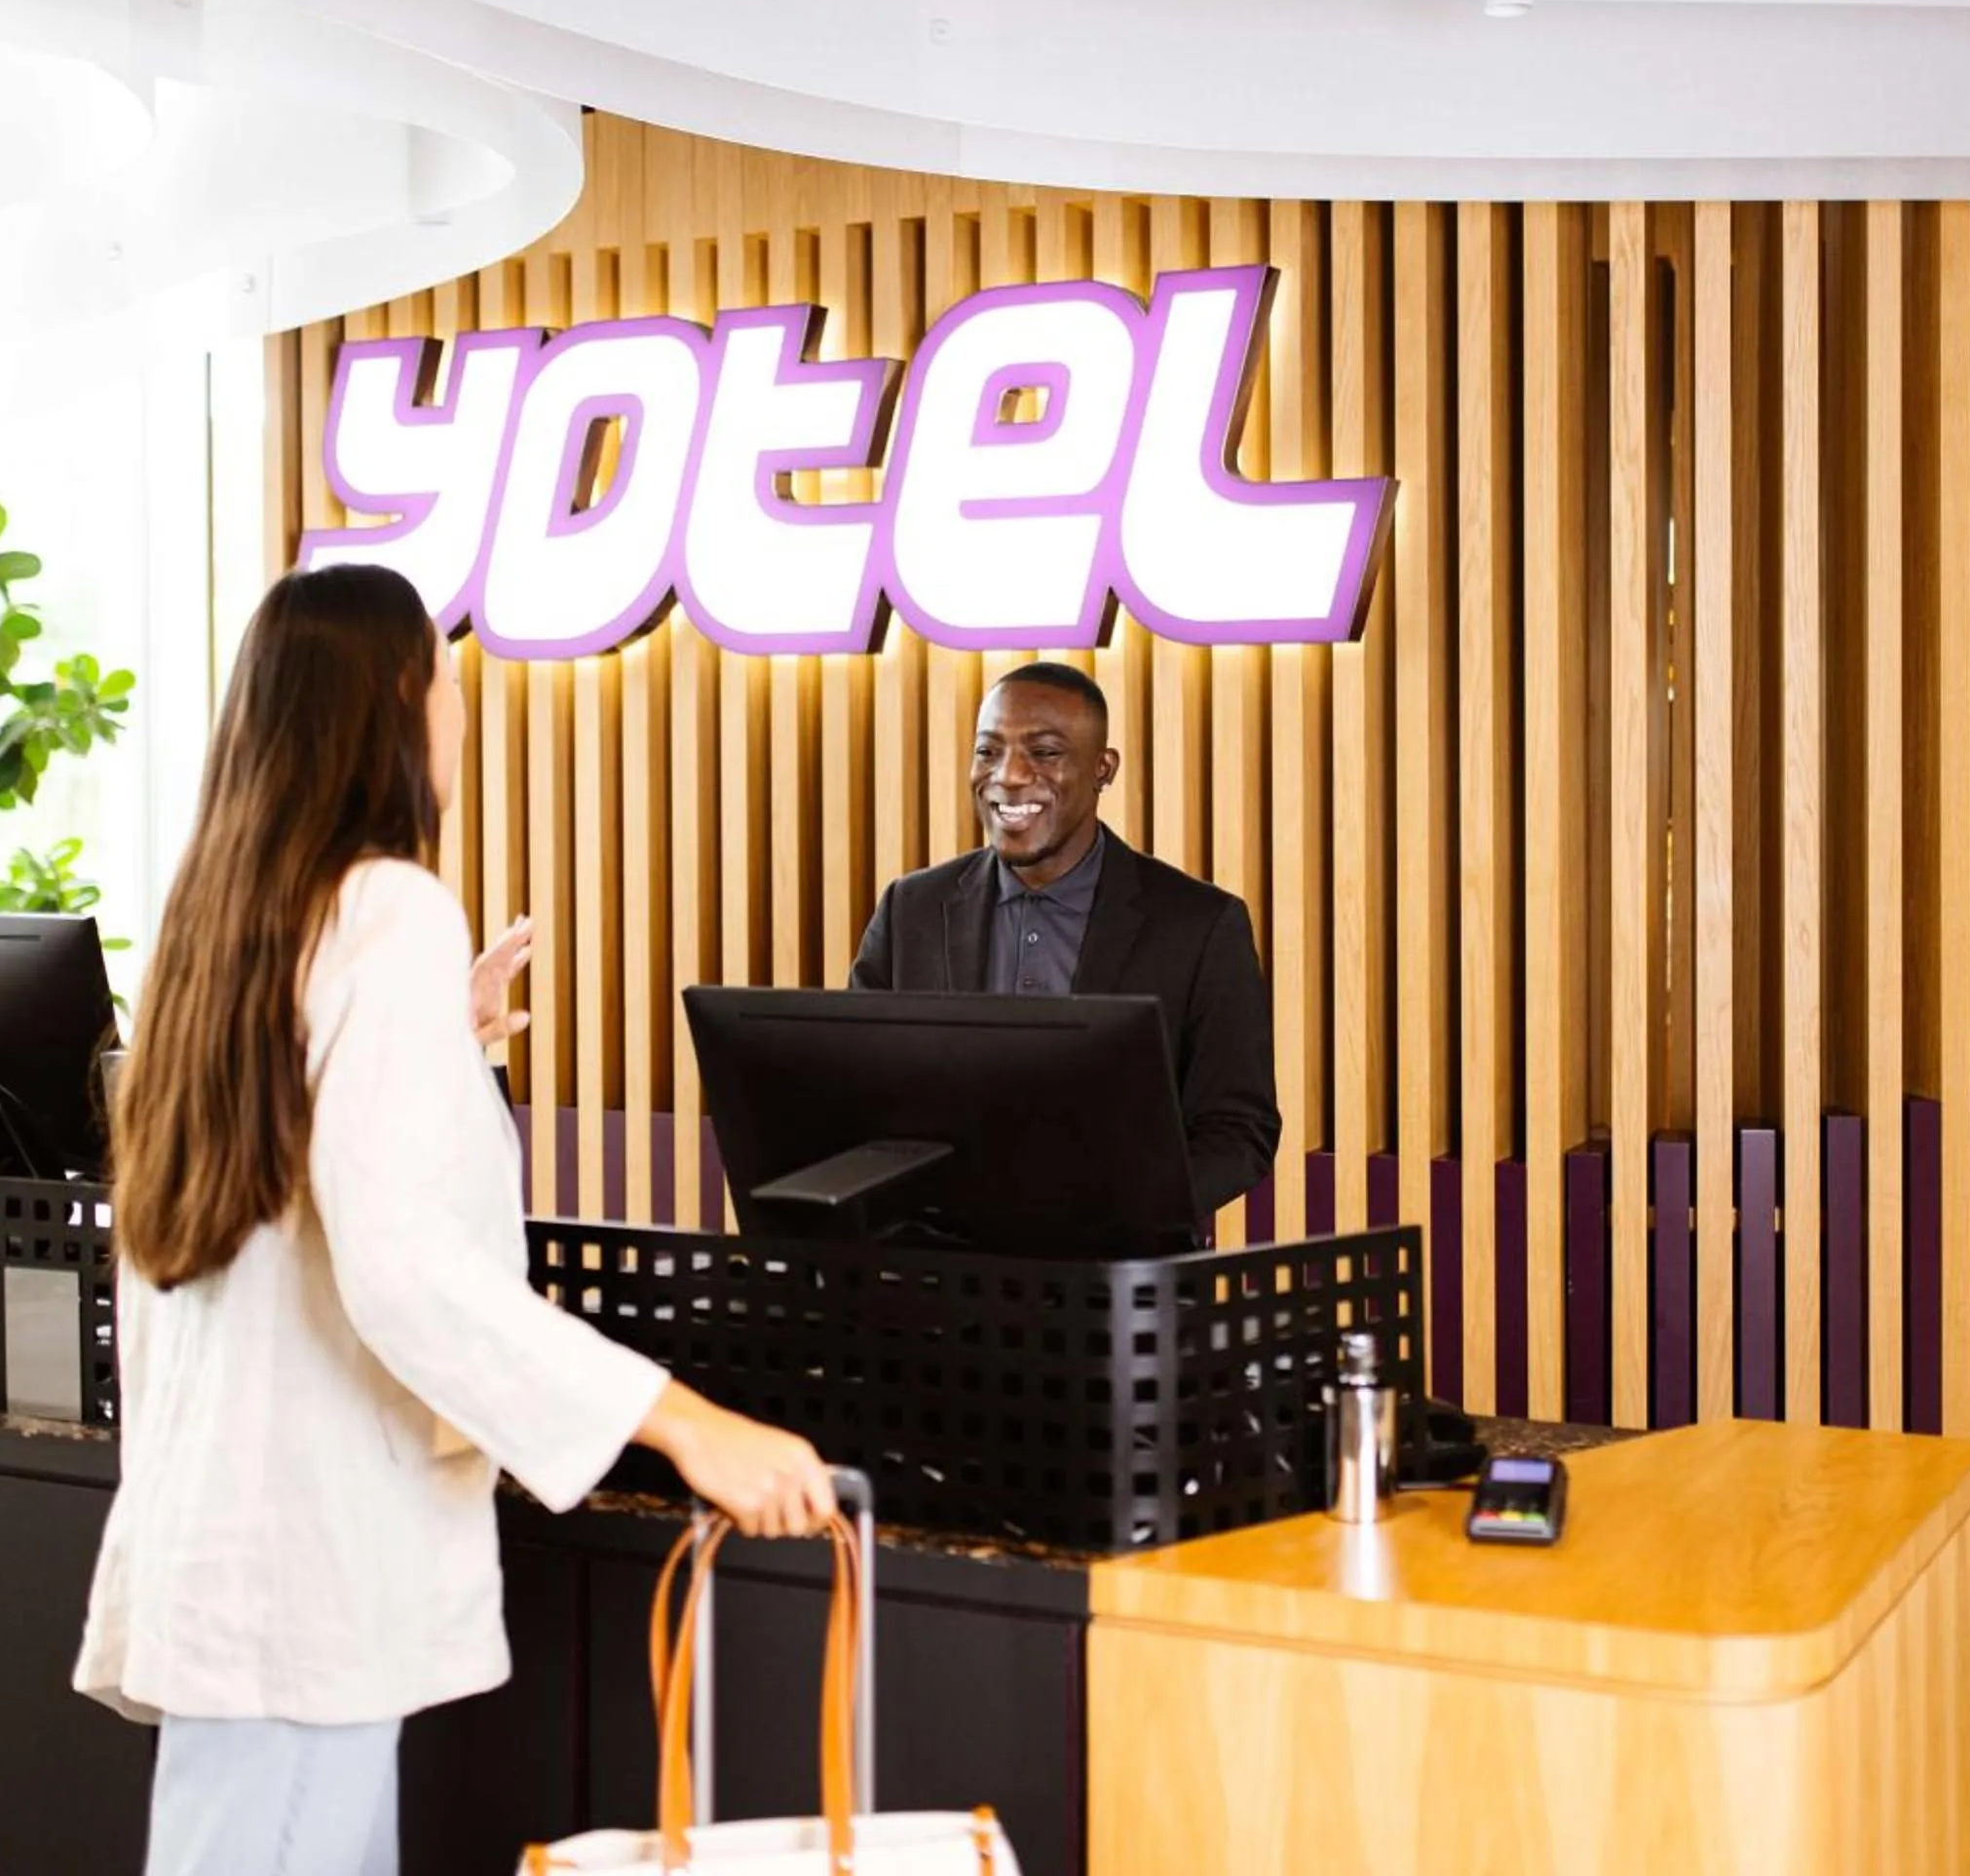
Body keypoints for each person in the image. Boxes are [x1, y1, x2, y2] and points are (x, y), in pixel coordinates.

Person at [74, 565, 832, 1876]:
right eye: (445, 683)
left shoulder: (221, 920)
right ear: (390, 713)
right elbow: (409, 1268)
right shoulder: (391, 908)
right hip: (306, 1586)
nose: (462, 711)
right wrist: (688, 1422)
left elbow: (287, 1181)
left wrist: (449, 1048)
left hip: (230, 1565)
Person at [848, 660, 1281, 1219]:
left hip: (1117, 1284)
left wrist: (1117, 1214)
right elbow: (859, 1096)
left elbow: (1237, 1131)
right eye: (988, 750)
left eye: (1045, 752)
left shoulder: (1199, 925)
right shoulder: (912, 910)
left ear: (1103, 769)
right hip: (937, 1277)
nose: (1008, 774)